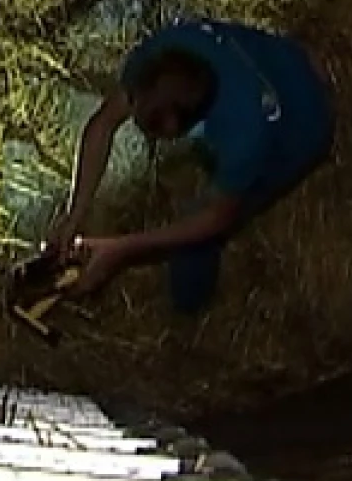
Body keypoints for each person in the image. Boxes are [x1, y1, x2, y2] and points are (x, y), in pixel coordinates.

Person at [43, 18, 335, 315]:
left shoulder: (243, 134)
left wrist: (122, 249)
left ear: (174, 128)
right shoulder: (161, 54)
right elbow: (103, 125)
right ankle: (300, 62)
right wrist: (74, 215)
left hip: (302, 129)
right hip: (283, 60)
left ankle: (189, 311)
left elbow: (217, 217)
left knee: (194, 235)